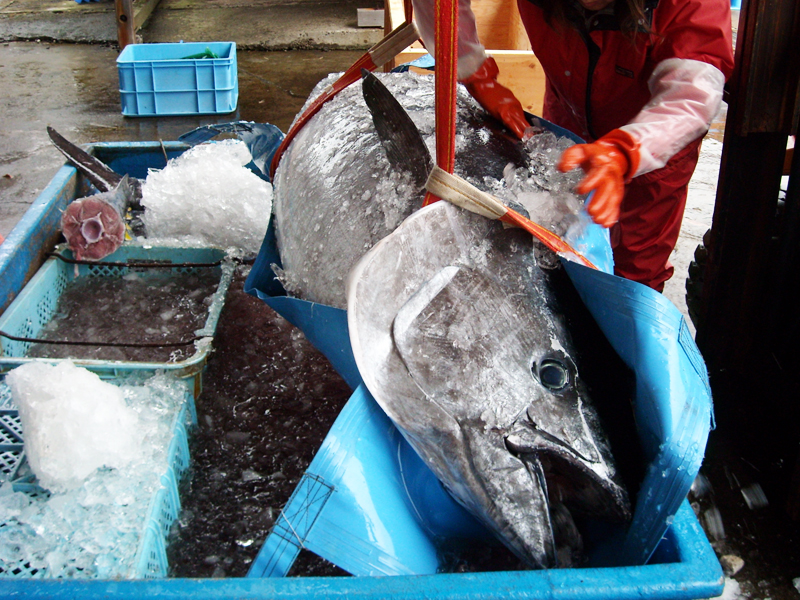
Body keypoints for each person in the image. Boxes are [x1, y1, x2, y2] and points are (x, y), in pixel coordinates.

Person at [411, 0, 735, 291]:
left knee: (635, 269)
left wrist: (628, 149)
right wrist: (472, 70)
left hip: (656, 140)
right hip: (569, 113)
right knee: (554, 253)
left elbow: (693, 91)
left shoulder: (693, 5)